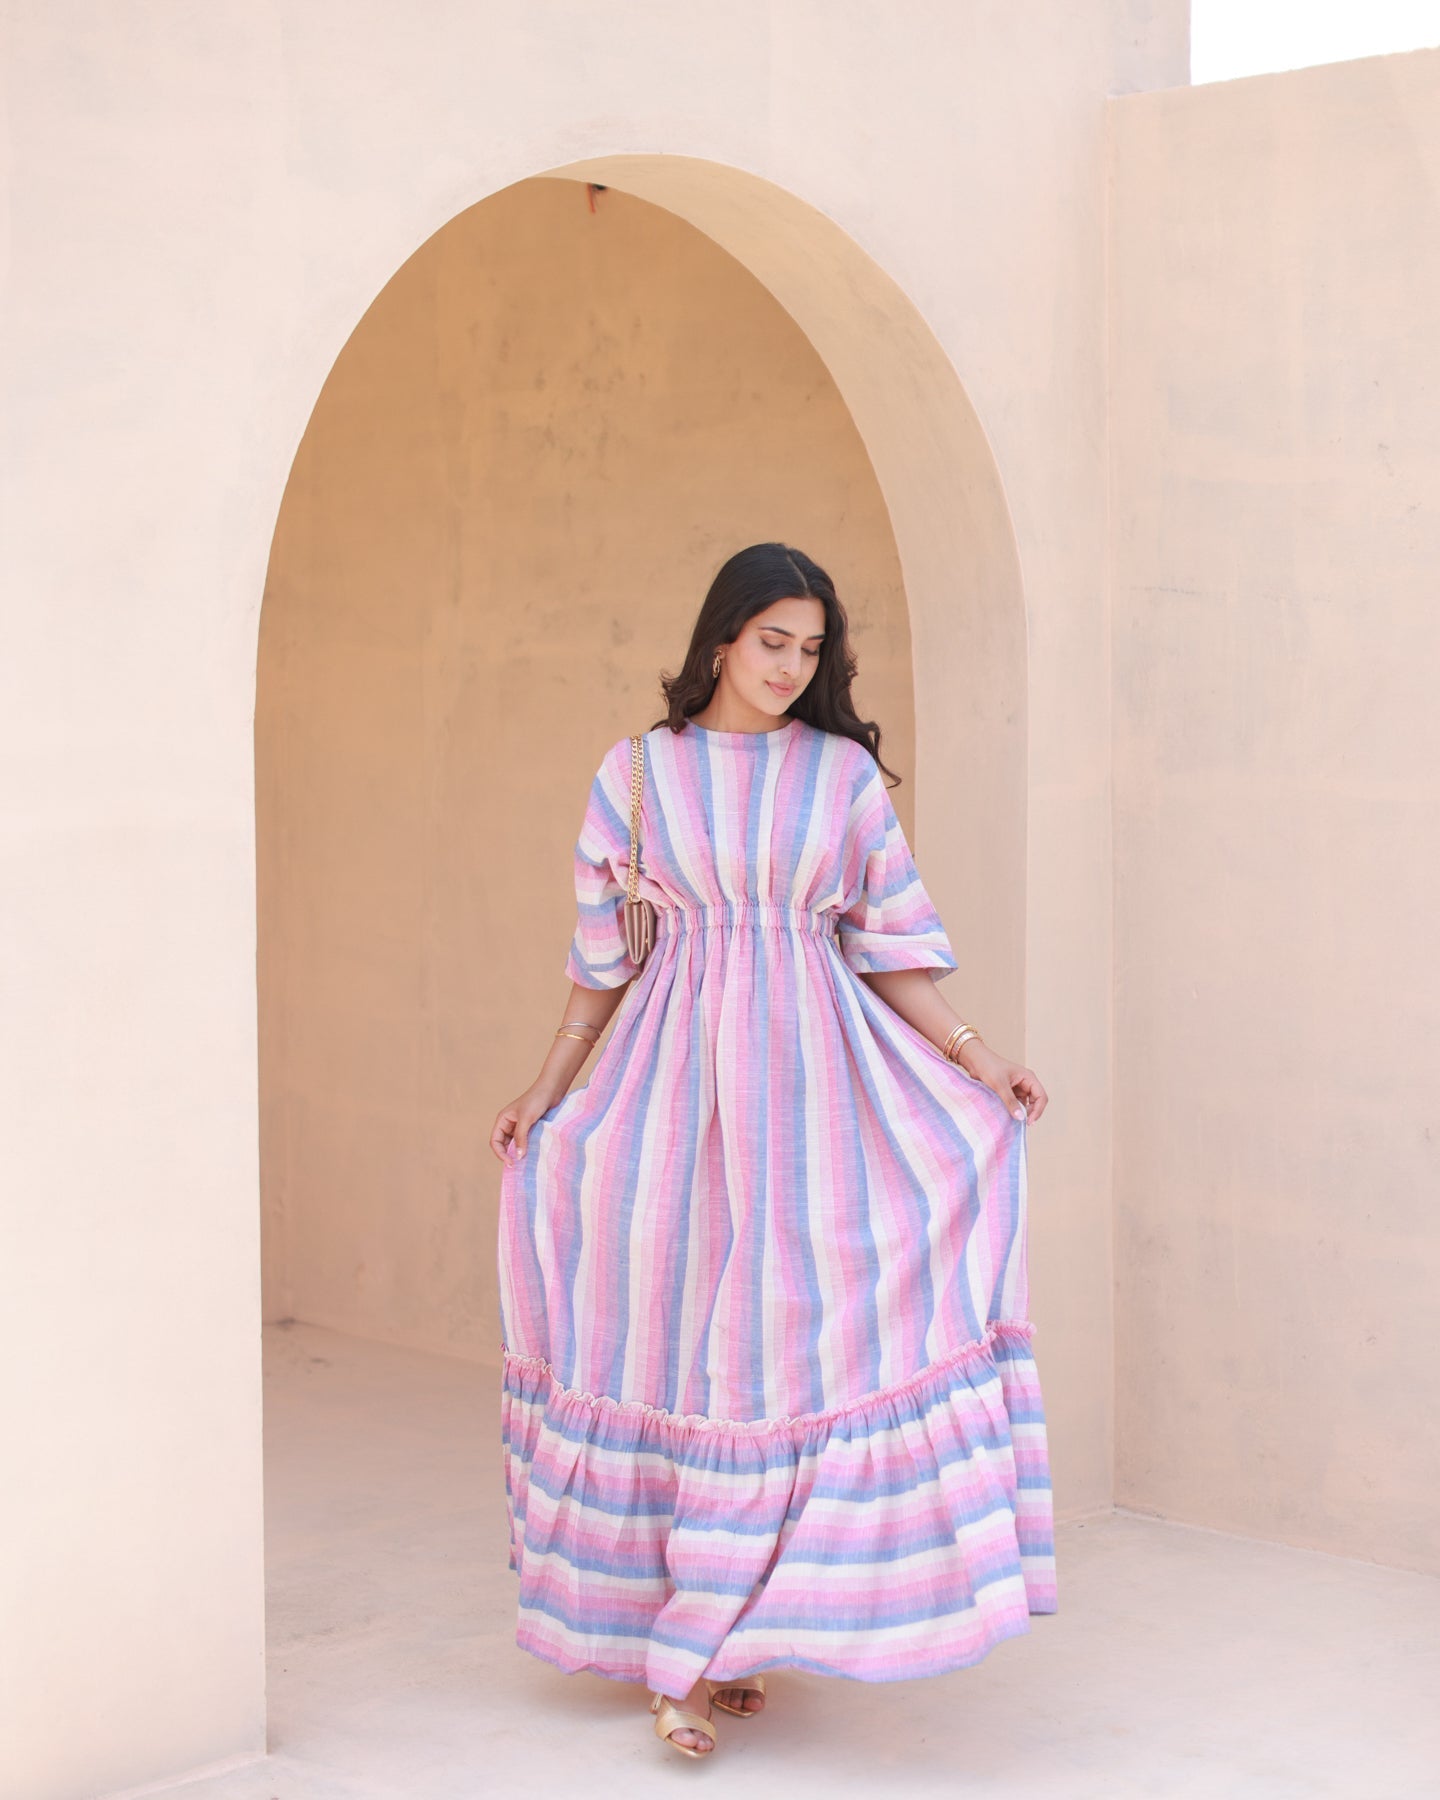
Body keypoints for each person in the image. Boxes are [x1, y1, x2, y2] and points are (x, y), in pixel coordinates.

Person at [489, 543, 1056, 1759]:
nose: (794, 668)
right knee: (683, 1351)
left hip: (815, 1098)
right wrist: (544, 1094)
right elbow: (604, 965)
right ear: (719, 643)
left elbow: (888, 942)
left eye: (813, 650)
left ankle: (709, 1650)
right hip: (666, 1096)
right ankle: (695, 1644)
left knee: (777, 1363)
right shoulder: (636, 774)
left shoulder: (841, 777)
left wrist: (977, 1059)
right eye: (772, 644)